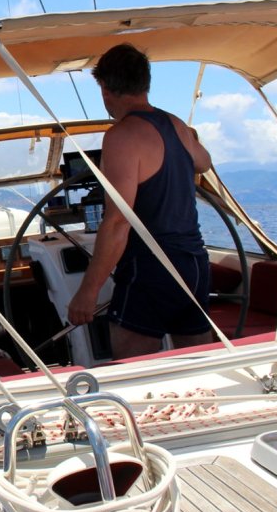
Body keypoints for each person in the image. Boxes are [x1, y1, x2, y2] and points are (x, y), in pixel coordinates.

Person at [67, 43, 214, 360]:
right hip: (194, 264)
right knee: (200, 362)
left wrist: (88, 291)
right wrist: (189, 137)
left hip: (150, 270)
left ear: (105, 88)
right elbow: (203, 162)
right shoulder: (176, 125)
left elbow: (118, 222)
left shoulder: (122, 136)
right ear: (145, 83)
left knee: (134, 366)